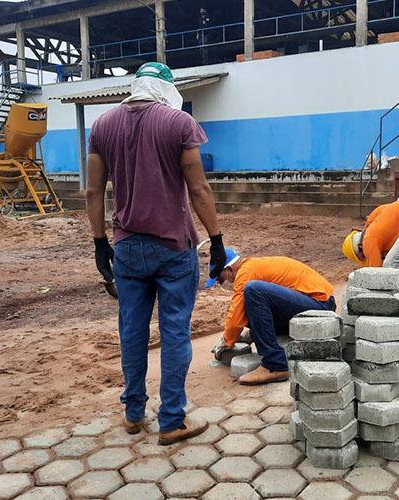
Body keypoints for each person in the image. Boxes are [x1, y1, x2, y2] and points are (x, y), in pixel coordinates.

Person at [85, 62, 227, 445]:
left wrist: (100, 244)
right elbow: (198, 190)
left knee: (131, 330)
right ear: (167, 90)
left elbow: (93, 191)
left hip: (127, 247)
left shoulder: (102, 126)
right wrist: (215, 240)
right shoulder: (178, 124)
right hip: (173, 247)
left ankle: (133, 413)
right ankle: (171, 420)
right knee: (175, 332)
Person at [209, 249, 337, 385]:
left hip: (321, 303)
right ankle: (258, 337)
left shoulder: (246, 272)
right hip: (312, 302)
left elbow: (235, 315)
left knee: (253, 290)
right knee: (249, 304)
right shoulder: (251, 267)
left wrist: (226, 341)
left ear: (228, 269)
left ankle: (274, 365)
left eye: (220, 279)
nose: (221, 283)